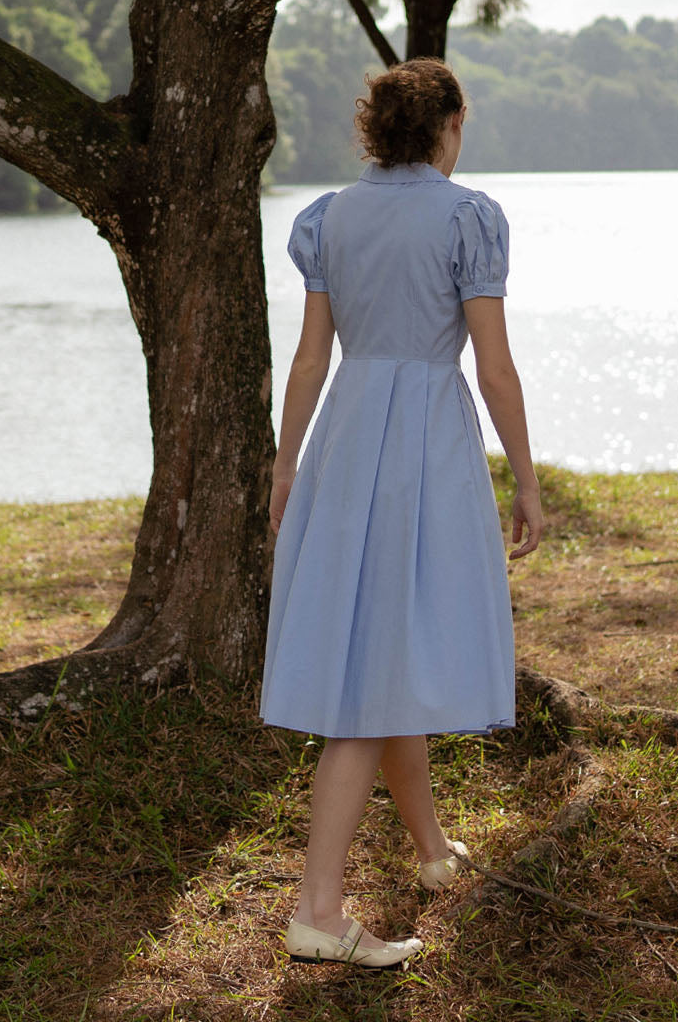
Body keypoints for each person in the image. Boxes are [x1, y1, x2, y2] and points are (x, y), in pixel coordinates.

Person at [260, 56, 543, 970]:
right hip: (422, 443)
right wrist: (527, 479)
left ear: (375, 130)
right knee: (371, 680)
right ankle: (318, 913)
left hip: (345, 439)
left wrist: (285, 461)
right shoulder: (468, 216)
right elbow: (493, 366)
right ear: (449, 126)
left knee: (387, 648)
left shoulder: (329, 215)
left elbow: (308, 361)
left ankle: (430, 853)